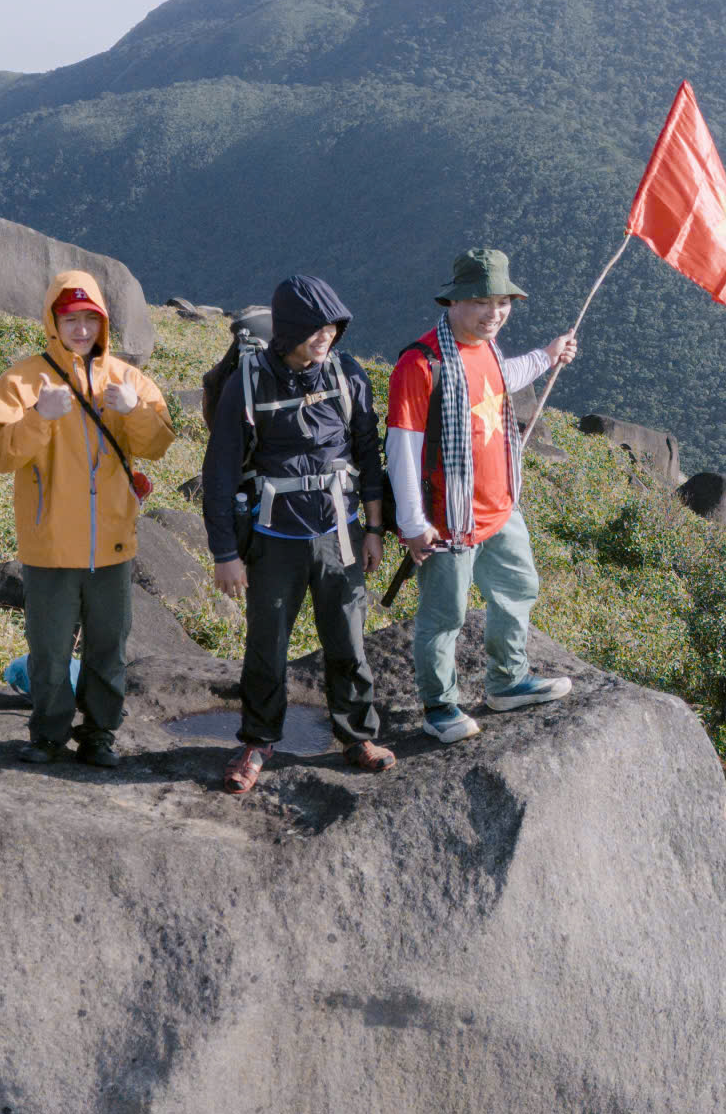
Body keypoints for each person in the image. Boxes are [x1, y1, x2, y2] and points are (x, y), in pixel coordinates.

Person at [201, 275, 393, 793]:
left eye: (331, 326)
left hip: (340, 529)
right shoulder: (248, 380)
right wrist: (225, 553)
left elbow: (367, 457)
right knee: (268, 644)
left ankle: (357, 735)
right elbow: (219, 471)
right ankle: (258, 742)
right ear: (288, 332)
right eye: (314, 328)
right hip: (273, 533)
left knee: (348, 638)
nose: (326, 336)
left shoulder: (347, 375)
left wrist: (374, 528)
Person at [0, 271, 175, 767]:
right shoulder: (22, 381)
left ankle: (99, 734)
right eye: (71, 318)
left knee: (109, 647)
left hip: (111, 542)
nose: (81, 329)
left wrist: (133, 412)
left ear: (103, 322)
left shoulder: (129, 380)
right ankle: (47, 734)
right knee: (48, 650)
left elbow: (159, 445)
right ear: (53, 321)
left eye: (90, 318)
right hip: (49, 544)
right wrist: (39, 415)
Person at [386, 249, 578, 744]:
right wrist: (411, 523)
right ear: (454, 301)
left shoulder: (485, 349)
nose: (494, 313)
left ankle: (507, 682)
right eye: (481, 302)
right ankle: (439, 705)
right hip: (449, 520)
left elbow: (500, 379)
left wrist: (548, 354)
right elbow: (402, 447)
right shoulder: (421, 362)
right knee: (444, 616)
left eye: (503, 302)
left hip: (500, 507)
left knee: (517, 590)